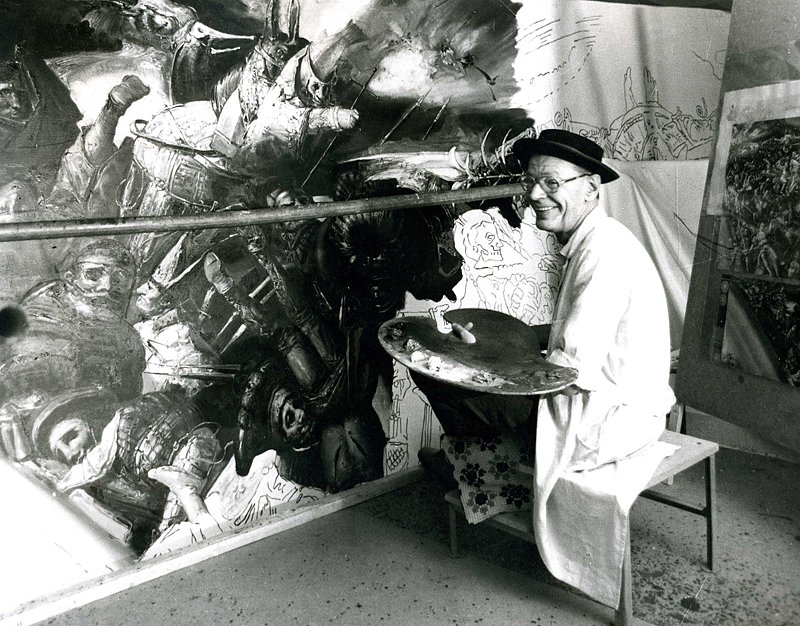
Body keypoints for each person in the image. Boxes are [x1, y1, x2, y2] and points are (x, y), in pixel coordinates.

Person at [415, 129, 675, 605]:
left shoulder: (603, 256)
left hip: (605, 420)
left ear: (591, 188)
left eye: (551, 183)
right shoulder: (600, 240)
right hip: (619, 401)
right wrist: (498, 339)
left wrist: (480, 358)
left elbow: (565, 372)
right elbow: (568, 335)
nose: (535, 194)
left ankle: (486, 467)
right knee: (462, 374)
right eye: (531, 181)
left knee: (435, 374)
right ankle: (478, 460)